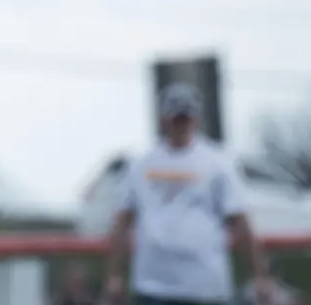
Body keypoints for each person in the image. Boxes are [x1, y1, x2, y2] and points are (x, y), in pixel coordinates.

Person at [102, 82, 274, 305]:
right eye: (176, 118)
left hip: (205, 287)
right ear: (164, 119)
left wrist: (259, 275)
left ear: (196, 119)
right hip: (153, 287)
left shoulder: (218, 163)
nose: (181, 124)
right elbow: (122, 221)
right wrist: (114, 275)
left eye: (186, 117)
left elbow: (241, 221)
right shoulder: (140, 165)